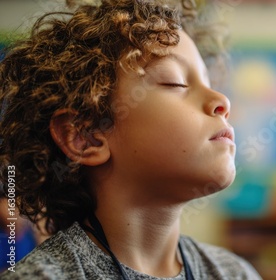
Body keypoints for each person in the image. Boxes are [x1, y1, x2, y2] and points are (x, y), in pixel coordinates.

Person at [0, 0, 261, 279]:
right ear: (84, 136)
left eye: (210, 84)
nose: (222, 100)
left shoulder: (235, 273)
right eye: (175, 82)